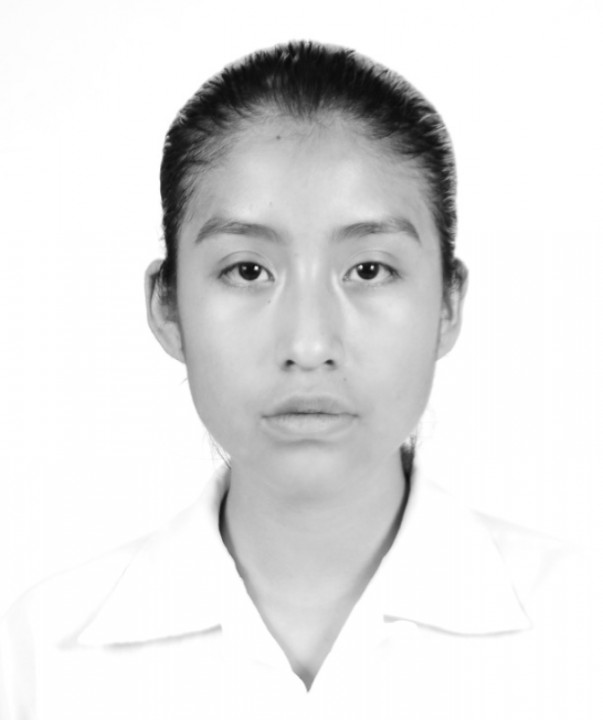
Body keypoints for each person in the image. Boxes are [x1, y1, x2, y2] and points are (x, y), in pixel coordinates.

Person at [1, 39, 601, 719]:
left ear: (448, 304)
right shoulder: (43, 658)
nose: (309, 346)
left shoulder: (584, 632)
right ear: (167, 308)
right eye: (248, 271)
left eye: (369, 270)